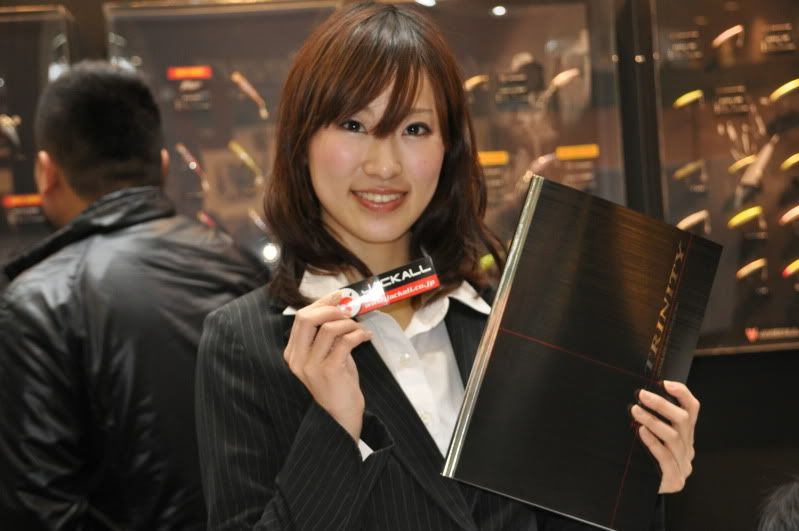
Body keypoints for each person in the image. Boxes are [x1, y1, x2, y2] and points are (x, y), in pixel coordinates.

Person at [195, 3, 700, 529]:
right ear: (303, 141)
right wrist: (336, 431)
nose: (384, 165)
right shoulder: (244, 345)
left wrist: (640, 484)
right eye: (354, 124)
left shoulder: (513, 323)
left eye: (415, 128)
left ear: (449, 147)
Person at [0, 61, 267, 530]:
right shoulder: (240, 267)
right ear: (163, 165)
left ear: (47, 173)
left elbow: (39, 509)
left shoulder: (36, 304)